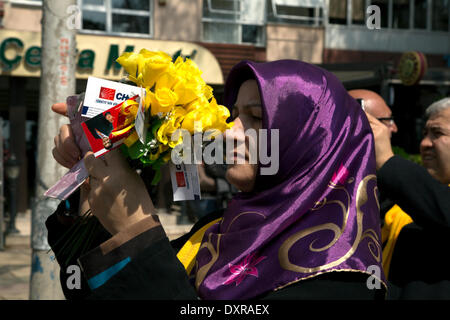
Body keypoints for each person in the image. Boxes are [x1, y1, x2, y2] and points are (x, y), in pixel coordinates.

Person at [47, 59, 386, 300]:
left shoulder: (340, 277)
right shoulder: (218, 231)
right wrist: (92, 173)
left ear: (313, 142)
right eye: (235, 115)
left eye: (255, 117)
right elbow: (96, 289)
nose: (231, 132)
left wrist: (136, 232)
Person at [366, 97, 450, 299]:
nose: (424, 144)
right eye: (424, 134)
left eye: (437, 133)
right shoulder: (398, 199)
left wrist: (386, 160)